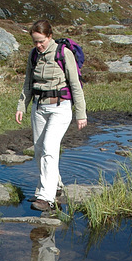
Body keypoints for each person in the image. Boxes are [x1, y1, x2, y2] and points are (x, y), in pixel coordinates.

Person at [15, 20, 87, 212]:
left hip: (60, 107)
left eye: (41, 41)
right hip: (39, 107)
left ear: (49, 36)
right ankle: (55, 186)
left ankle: (46, 198)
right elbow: (28, 83)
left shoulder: (63, 54)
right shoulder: (33, 55)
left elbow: (75, 85)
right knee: (39, 150)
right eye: (35, 42)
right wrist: (22, 105)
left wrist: (80, 114)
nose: (38, 46)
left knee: (49, 148)